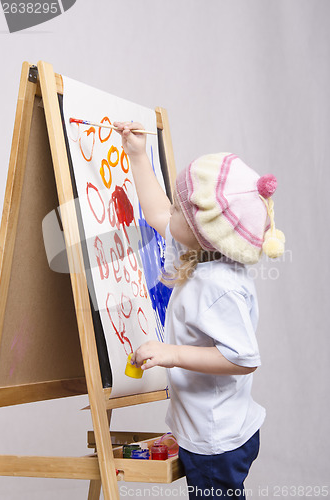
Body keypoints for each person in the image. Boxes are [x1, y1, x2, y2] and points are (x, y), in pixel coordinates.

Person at [114, 121, 285, 499]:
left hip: (216, 439)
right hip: (215, 428)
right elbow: (160, 213)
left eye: (181, 211)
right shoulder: (199, 254)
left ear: (203, 230)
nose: (170, 215)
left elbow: (243, 357)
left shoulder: (217, 284)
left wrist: (172, 354)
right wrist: (138, 155)